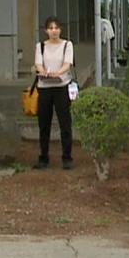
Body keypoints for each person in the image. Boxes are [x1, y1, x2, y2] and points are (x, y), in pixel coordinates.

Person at [33, 16, 75, 170]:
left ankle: (67, 157)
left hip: (61, 86)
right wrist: (43, 72)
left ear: (60, 29)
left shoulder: (67, 45)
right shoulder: (41, 46)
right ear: (46, 31)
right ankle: (43, 157)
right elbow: (38, 63)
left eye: (56, 28)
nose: (54, 31)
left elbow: (67, 64)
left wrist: (58, 73)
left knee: (65, 123)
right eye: (50, 28)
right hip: (44, 87)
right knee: (44, 124)